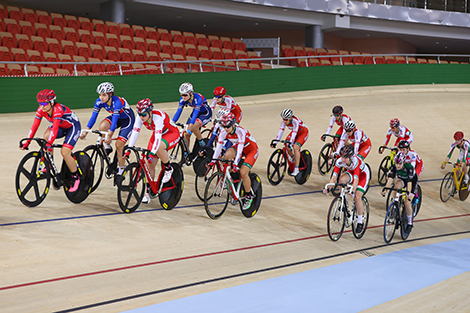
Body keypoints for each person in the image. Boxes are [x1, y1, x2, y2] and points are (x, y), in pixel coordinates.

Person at [21, 89, 82, 192]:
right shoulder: (41, 110)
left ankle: (76, 177)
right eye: (40, 103)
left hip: (73, 127)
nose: (42, 106)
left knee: (65, 152)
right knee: (46, 137)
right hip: (61, 126)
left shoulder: (57, 110)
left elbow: (55, 128)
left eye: (44, 103)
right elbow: (35, 126)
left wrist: (49, 144)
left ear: (52, 102)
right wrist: (28, 142)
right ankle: (49, 164)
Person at [125, 98, 180, 204]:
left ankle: (168, 168)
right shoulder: (140, 117)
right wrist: (129, 149)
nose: (141, 117)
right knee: (149, 164)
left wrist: (152, 152)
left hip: (171, 133)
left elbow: (158, 138)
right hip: (157, 135)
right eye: (139, 114)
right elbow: (135, 132)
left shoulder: (158, 117)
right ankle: (148, 191)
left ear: (150, 112)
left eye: (144, 114)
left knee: (158, 148)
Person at [79, 82, 135, 179]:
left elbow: (114, 121)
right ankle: (107, 147)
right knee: (102, 126)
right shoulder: (99, 102)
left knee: (119, 145)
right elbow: (93, 117)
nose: (101, 97)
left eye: (104, 95)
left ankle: (121, 171)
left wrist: (110, 135)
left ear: (110, 94)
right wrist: (85, 132)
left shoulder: (117, 102)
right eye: (100, 95)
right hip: (116, 118)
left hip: (127, 120)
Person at [208, 112, 259, 210]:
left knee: (244, 172)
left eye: (228, 127)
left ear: (234, 124)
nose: (226, 129)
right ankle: (231, 180)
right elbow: (218, 148)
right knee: (227, 155)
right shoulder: (223, 132)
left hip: (251, 150)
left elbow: (240, 149)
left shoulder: (240, 132)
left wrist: (235, 163)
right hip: (239, 146)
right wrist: (213, 161)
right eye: (224, 126)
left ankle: (249, 196)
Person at [323, 144, 370, 234]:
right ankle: (343, 200)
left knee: (357, 197)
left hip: (362, 176)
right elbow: (334, 177)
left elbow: (356, 180)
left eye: (346, 157)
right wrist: (329, 187)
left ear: (351, 157)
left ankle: (360, 221)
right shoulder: (340, 161)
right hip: (351, 173)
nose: (343, 159)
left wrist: (353, 190)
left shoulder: (356, 162)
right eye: (343, 157)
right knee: (341, 179)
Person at [381, 152, 417, 234]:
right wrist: (385, 190)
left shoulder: (409, 168)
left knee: (407, 202)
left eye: (400, 164)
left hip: (411, 182)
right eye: (397, 163)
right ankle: (394, 203)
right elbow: (390, 179)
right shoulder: (394, 167)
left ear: (403, 162)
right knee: (396, 186)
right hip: (402, 180)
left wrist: (408, 193)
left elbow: (409, 183)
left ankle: (410, 223)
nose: (398, 166)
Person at [172, 82, 212, 154]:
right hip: (196, 112)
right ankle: (186, 153)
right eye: (181, 95)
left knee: (193, 126)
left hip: (205, 113)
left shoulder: (198, 98)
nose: (183, 97)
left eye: (185, 95)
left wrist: (191, 124)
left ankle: (201, 143)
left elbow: (196, 112)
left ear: (191, 93)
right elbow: (178, 112)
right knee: (186, 134)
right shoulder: (183, 99)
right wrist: (172, 122)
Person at [271, 108, 309, 176]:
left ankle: (296, 169)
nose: (284, 121)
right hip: (296, 132)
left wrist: (291, 144)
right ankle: (293, 157)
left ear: (291, 117)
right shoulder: (283, 122)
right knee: (286, 145)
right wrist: (275, 142)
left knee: (295, 147)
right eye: (283, 119)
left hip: (303, 132)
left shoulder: (295, 121)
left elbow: (294, 133)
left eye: (286, 119)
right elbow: (281, 131)